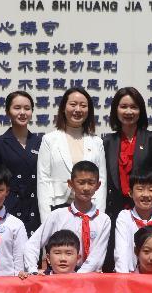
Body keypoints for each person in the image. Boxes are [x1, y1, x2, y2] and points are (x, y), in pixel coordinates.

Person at [24, 161, 110, 274]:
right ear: (71, 184)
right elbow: (32, 245)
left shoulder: (103, 220)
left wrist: (76, 277)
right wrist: (32, 270)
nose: (86, 188)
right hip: (59, 276)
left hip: (89, 276)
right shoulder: (57, 215)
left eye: (91, 183)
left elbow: (97, 255)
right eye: (81, 182)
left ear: (98, 185)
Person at [37, 87, 107, 222]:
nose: (78, 109)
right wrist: (46, 220)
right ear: (63, 108)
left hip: (88, 208)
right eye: (73, 104)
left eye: (83, 106)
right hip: (58, 207)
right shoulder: (49, 140)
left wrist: (98, 218)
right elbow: (43, 180)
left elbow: (101, 181)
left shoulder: (96, 142)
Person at [102, 87, 152, 222]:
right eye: (123, 107)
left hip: (144, 209)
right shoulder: (107, 142)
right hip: (114, 210)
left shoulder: (151, 139)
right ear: (116, 110)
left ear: (141, 111)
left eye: (134, 107)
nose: (128, 111)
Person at [0, 90, 43, 235]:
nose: (22, 112)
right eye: (17, 108)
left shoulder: (41, 142)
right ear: (8, 112)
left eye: (27, 108)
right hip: (9, 206)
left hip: (35, 207)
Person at [112, 171, 152, 273]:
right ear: (130, 193)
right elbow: (121, 252)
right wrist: (124, 277)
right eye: (140, 189)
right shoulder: (124, 217)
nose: (146, 194)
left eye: (151, 190)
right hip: (128, 274)